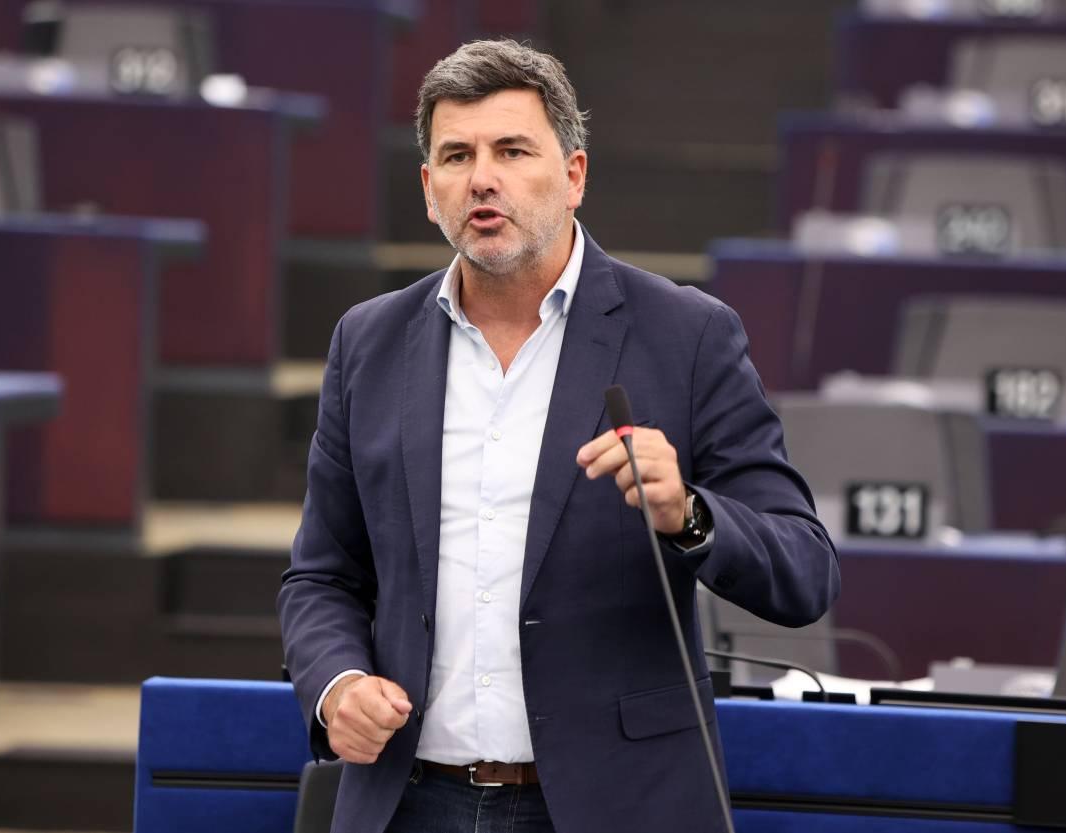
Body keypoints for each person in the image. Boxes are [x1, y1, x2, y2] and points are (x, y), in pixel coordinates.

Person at [278, 38, 839, 833]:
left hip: (612, 805)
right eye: (457, 155)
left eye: (512, 150)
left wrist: (690, 514)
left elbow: (805, 569)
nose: (483, 177)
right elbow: (321, 575)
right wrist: (336, 683)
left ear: (574, 175)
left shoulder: (687, 336)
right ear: (429, 188)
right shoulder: (367, 342)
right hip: (408, 802)